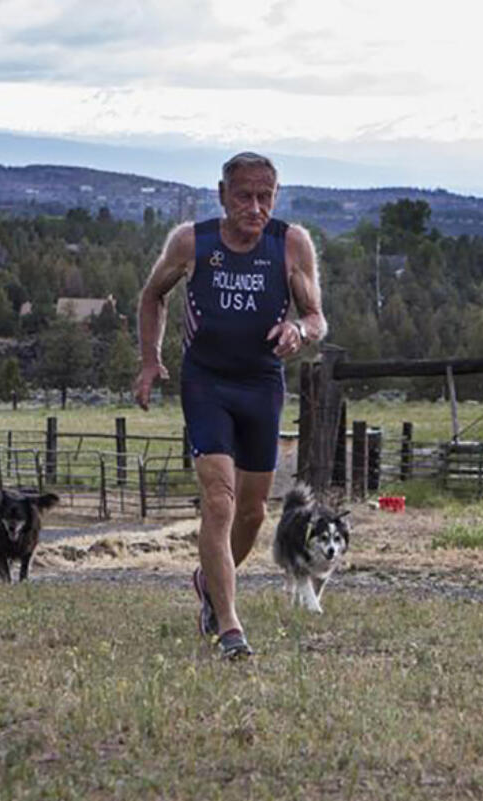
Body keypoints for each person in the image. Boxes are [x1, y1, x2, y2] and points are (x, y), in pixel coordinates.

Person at [133, 151, 327, 660]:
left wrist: (299, 331)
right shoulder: (190, 242)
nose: (255, 207)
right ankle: (229, 625)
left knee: (253, 512)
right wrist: (150, 361)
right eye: (244, 196)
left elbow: (316, 316)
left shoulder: (290, 244)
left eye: (265, 197)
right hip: (206, 384)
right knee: (219, 501)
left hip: (261, 385)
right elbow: (152, 296)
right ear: (222, 195)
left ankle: (209, 584)